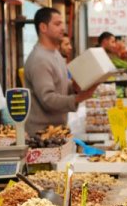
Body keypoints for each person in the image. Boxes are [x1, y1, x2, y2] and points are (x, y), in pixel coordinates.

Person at [24, 7, 96, 136]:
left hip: (57, 131)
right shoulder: (39, 59)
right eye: (57, 24)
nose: (63, 28)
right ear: (43, 27)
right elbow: (48, 99)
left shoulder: (55, 53)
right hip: (42, 136)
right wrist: (79, 98)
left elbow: (60, 84)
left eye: (63, 23)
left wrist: (75, 86)